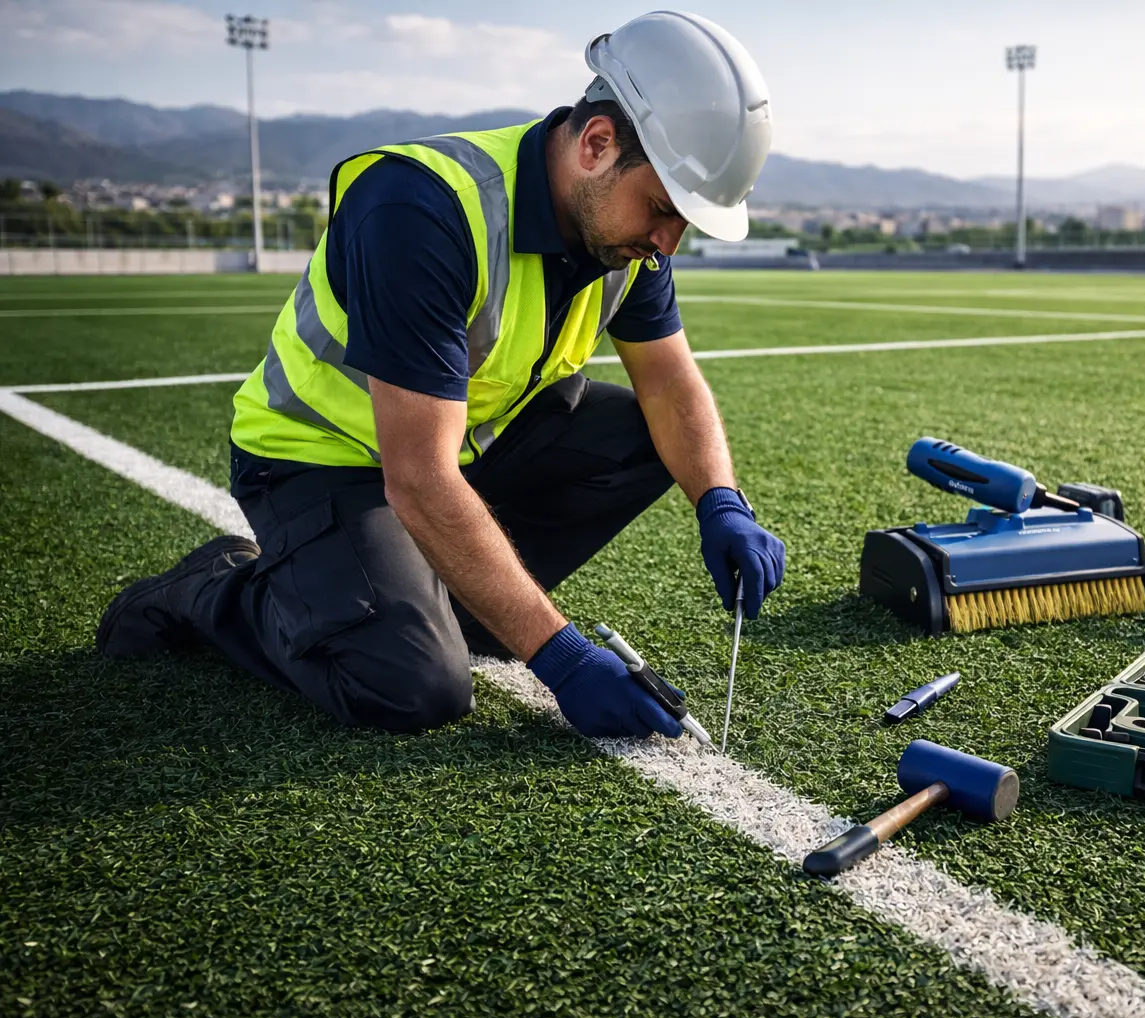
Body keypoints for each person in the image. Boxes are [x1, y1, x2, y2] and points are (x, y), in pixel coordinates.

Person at [95, 11, 785, 739]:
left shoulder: (627, 238)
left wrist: (720, 500)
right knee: (412, 686)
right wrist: (562, 657)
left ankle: (432, 600)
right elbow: (417, 475)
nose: (667, 241)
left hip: (462, 452)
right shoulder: (421, 209)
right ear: (597, 143)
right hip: (323, 459)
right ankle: (219, 588)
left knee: (649, 440)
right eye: (662, 209)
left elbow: (671, 386)